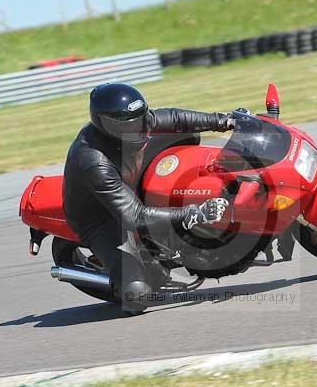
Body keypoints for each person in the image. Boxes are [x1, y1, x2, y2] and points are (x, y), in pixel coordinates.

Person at [62, 82, 233, 312]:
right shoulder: (94, 162)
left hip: (129, 176)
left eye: (140, 119)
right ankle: (119, 281)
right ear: (105, 125)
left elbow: (175, 118)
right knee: (137, 295)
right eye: (128, 125)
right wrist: (195, 212)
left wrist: (223, 121)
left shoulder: (136, 125)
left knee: (187, 132)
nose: (139, 128)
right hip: (103, 217)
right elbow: (134, 216)